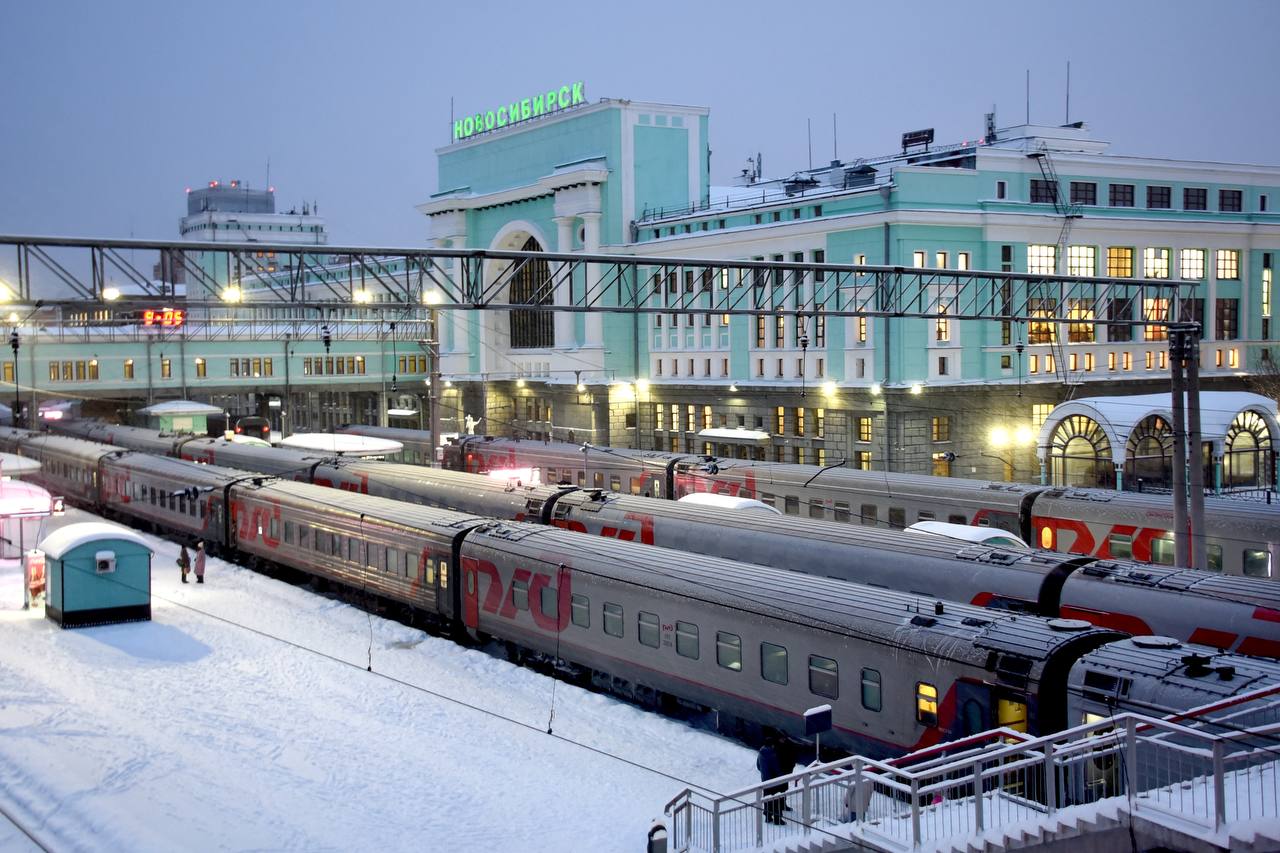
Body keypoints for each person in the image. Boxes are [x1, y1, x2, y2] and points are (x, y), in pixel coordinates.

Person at [756, 734, 786, 825]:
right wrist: (782, 777)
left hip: (765, 780)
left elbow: (758, 766)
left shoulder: (761, 752)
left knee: (767, 798)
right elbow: (776, 768)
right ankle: (777, 819)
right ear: (771, 744)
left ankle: (768, 816)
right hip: (774, 781)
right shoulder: (772, 754)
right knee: (776, 799)